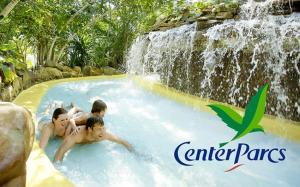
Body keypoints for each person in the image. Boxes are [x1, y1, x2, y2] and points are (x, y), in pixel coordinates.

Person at [54, 116, 133, 161]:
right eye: (99, 129)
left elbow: (122, 141)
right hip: (66, 130)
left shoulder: (103, 135)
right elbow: (61, 150)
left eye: (103, 128)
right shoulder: (77, 135)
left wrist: (135, 153)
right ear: (90, 129)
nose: (102, 131)